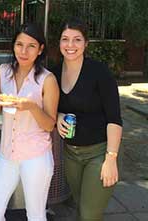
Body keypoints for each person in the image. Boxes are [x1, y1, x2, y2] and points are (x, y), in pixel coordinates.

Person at [0, 22, 59, 221]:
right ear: (13, 45)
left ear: (40, 49)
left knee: (35, 215)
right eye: (19, 44)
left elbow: (50, 124)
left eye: (31, 46)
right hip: (7, 154)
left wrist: (31, 106)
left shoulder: (47, 79)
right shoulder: (3, 71)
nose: (24, 51)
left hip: (36, 156)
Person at [53, 18, 123, 221]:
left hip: (100, 152)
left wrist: (111, 159)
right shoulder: (54, 73)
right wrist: (57, 116)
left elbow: (114, 119)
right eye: (65, 39)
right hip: (71, 154)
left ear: (86, 44)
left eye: (77, 39)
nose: (70, 45)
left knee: (89, 214)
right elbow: (49, 106)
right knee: (81, 207)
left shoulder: (99, 72)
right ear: (59, 43)